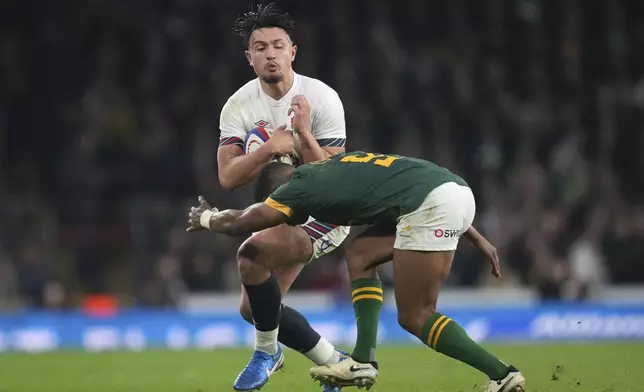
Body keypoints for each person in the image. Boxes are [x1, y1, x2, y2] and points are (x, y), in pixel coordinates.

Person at [187, 152, 526, 392]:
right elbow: (411, 180)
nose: (288, 220)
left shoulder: (295, 191)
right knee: (360, 253)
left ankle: (503, 375)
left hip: (429, 206)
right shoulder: (335, 165)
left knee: (416, 315)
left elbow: (240, 223)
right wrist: (475, 233)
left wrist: (206, 218)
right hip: (453, 190)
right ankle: (363, 360)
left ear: (278, 194)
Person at [217, 3, 352, 391]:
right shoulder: (238, 106)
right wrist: (266, 149)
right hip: (279, 212)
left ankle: (266, 353)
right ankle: (338, 364)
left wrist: (304, 134)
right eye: (260, 47)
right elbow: (227, 177)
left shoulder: (322, 98)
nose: (270, 53)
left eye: (278, 45)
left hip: (327, 212)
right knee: (255, 308)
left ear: (293, 51)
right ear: (249, 57)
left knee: (250, 257)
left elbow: (337, 177)